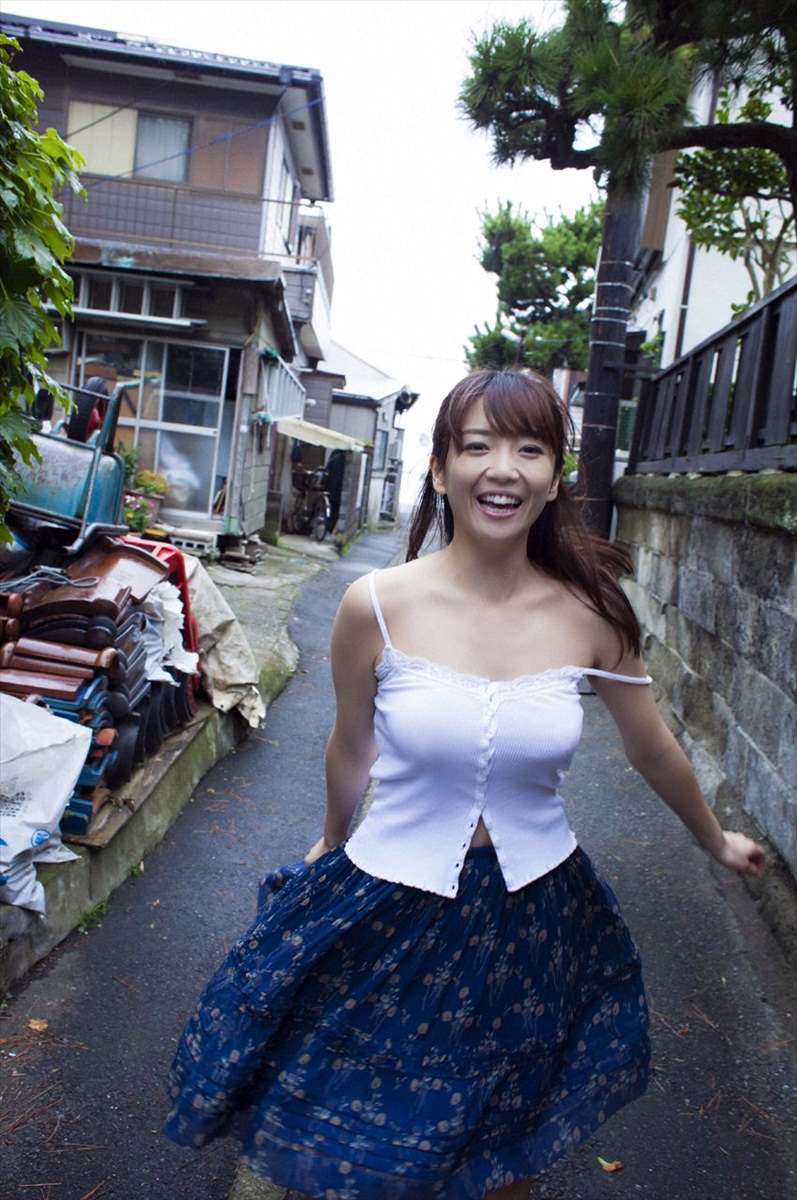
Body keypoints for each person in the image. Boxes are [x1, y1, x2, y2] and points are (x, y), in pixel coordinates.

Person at [163, 369, 766, 1200]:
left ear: (553, 478)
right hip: (388, 900)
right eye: (477, 446)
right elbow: (350, 743)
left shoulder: (593, 611)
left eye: (529, 449)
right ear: (440, 468)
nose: (503, 468)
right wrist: (332, 840)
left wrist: (713, 838)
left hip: (537, 915)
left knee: (502, 1138)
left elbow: (652, 746)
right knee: (374, 1120)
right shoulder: (376, 604)